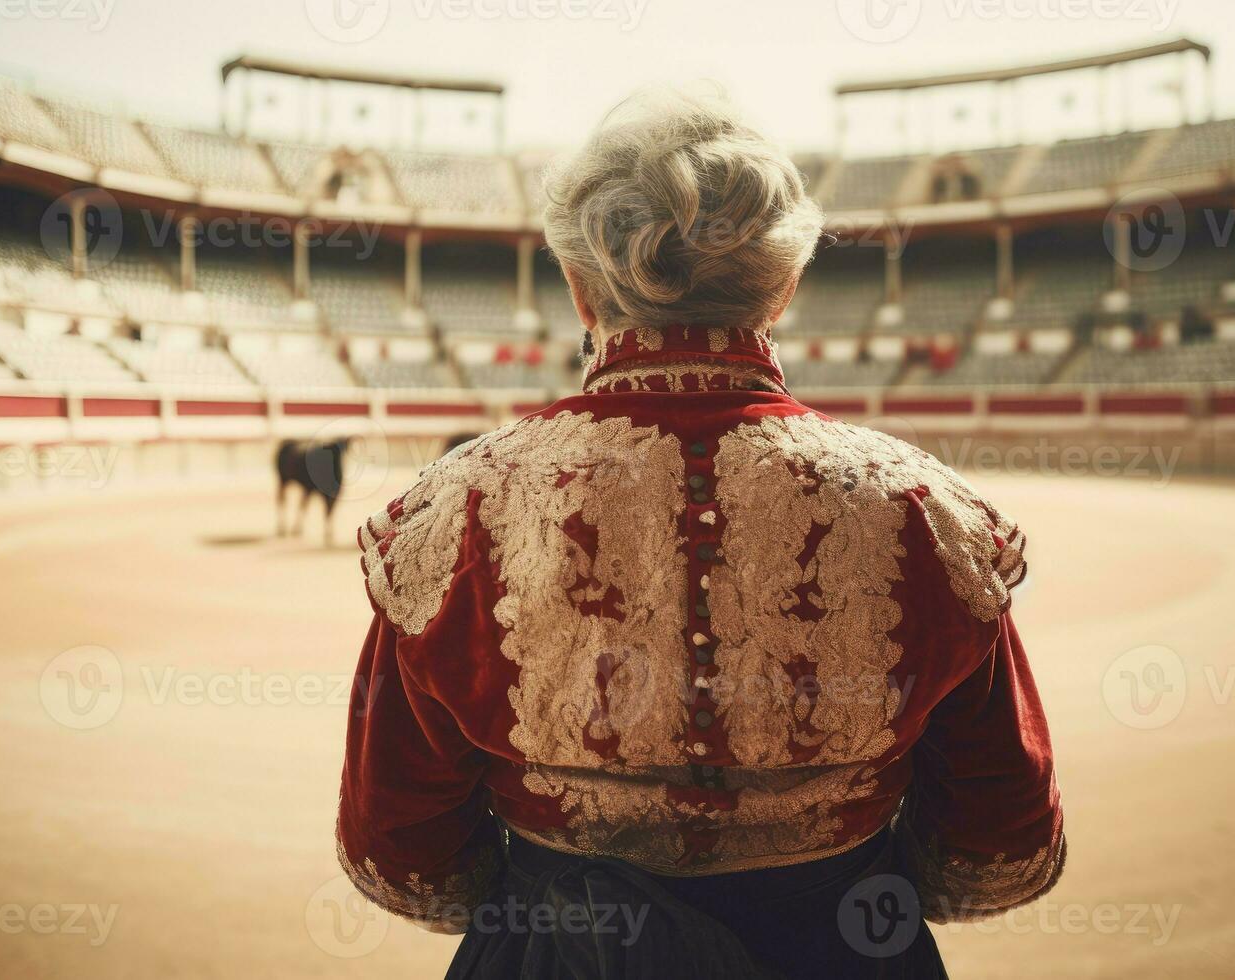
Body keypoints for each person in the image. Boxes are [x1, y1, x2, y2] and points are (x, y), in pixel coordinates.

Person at [335, 90, 1065, 979]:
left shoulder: (457, 511)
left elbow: (403, 852)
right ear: (785, 286)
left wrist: (550, 896)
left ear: (576, 286)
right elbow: (1000, 840)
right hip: (845, 947)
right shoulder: (921, 509)